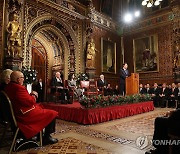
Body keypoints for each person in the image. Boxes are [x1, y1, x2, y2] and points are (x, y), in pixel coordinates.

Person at [4, 71, 58, 145]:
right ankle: (46, 138)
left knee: (41, 108)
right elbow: (30, 101)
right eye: (22, 77)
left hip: (17, 112)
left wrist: (30, 95)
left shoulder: (9, 86)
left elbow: (23, 100)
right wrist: (34, 95)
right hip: (24, 115)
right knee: (52, 113)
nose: (23, 79)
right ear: (18, 79)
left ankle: (40, 135)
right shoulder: (18, 88)